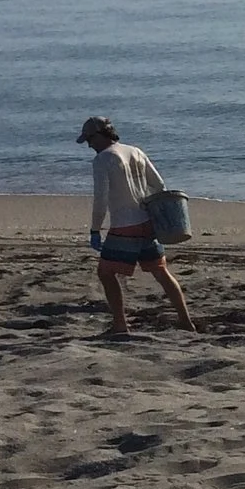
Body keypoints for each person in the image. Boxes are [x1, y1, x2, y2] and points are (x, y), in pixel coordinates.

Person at [77, 116, 197, 339]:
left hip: (124, 225)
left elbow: (101, 199)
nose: (89, 145)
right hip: (147, 223)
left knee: (105, 272)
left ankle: (120, 325)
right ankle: (185, 321)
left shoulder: (103, 159)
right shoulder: (135, 151)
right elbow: (159, 185)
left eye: (90, 140)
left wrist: (95, 229)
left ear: (100, 136)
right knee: (161, 272)